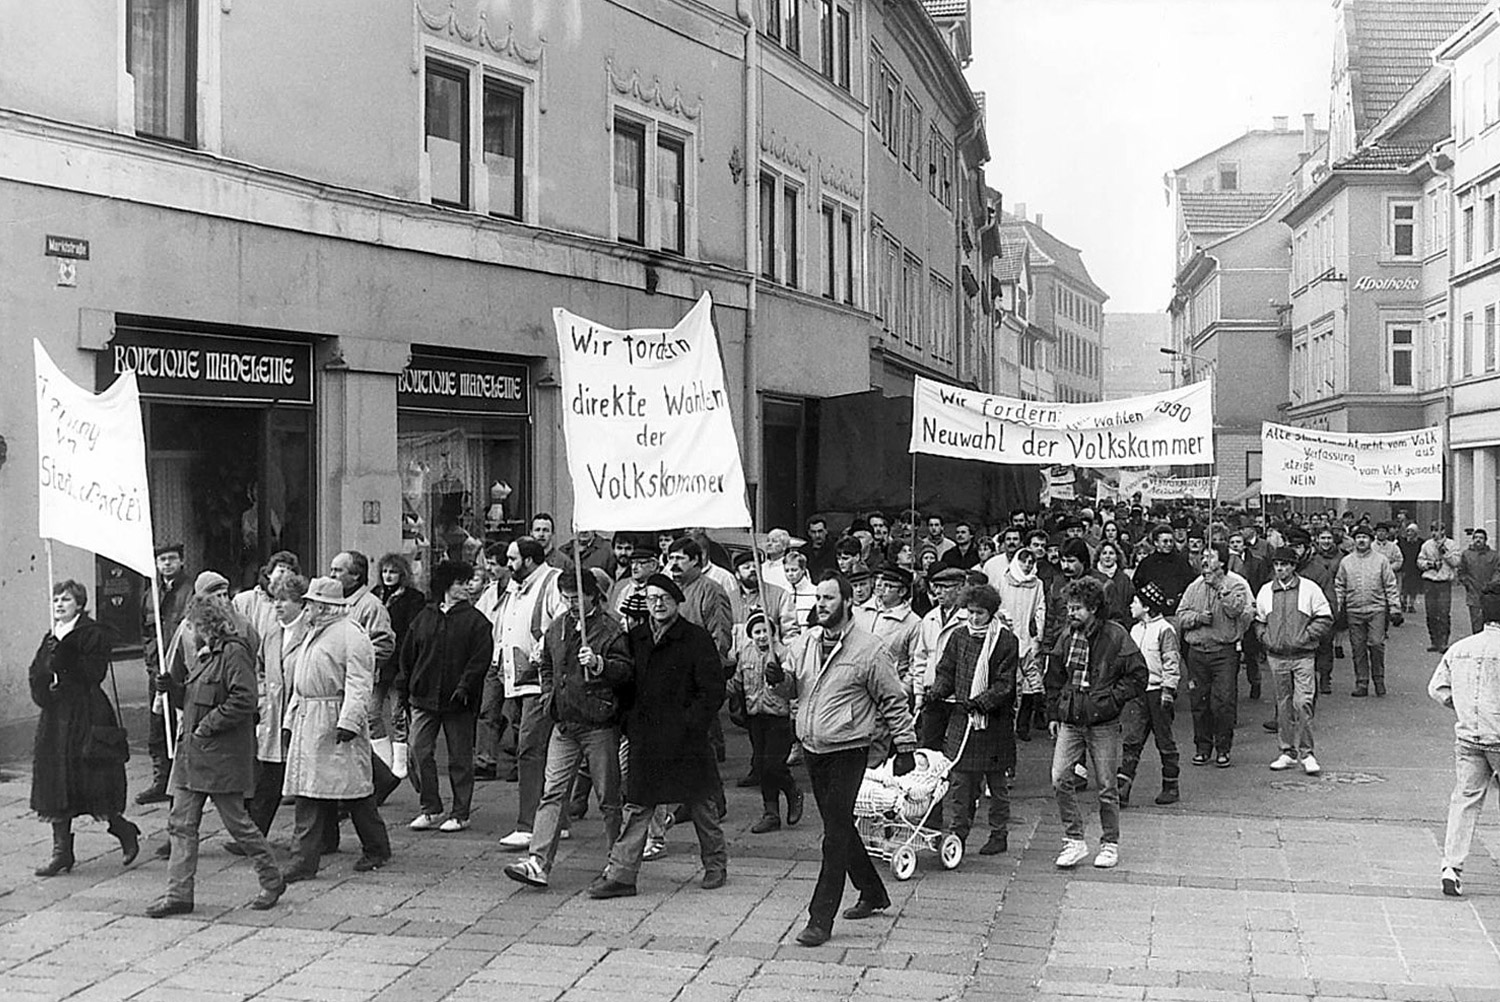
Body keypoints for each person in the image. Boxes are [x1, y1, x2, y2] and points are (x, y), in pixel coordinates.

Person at [766, 573, 917, 947]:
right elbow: (794, 688)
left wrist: (906, 745)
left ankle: (820, 918)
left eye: (830, 598)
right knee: (840, 825)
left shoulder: (870, 649)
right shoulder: (806, 642)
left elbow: (893, 699)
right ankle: (872, 892)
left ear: (847, 601)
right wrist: (776, 679)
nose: (821, 604)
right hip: (813, 748)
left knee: (833, 835)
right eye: (818, 597)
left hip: (849, 749)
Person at [590, 574, 727, 898]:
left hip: (686, 738)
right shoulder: (635, 638)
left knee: (701, 803)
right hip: (647, 738)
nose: (658, 604)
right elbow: (625, 683)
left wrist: (691, 723)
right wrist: (628, 720)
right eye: (652, 598)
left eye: (664, 597)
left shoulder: (695, 638)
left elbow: (712, 690)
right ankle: (622, 876)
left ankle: (715, 864)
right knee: (639, 806)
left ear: (677, 600)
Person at [148, 593, 284, 918]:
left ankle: (272, 878)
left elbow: (244, 699)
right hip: (192, 756)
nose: (190, 630)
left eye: (193, 624)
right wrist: (172, 688)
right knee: (180, 824)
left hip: (219, 757)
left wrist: (207, 726)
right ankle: (178, 894)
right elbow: (194, 701)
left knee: (238, 824)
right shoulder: (206, 656)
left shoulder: (234, 653)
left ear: (206, 625)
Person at [504, 568, 631, 889]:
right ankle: (538, 862)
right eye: (567, 597)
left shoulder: (611, 629)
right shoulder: (559, 626)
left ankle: (618, 862)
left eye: (578, 597)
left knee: (608, 797)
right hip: (564, 721)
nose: (572, 603)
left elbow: (627, 672)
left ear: (593, 595)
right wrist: (549, 695)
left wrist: (600, 664)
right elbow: (547, 662)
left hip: (599, 724)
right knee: (553, 793)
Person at [282, 577, 392, 879]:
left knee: (351, 791)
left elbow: (359, 683)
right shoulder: (314, 633)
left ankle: (375, 847)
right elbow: (300, 684)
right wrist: (290, 720)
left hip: (333, 720)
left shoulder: (350, 635)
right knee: (314, 790)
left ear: (325, 606)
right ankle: (311, 853)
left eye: (312, 603)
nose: (307, 608)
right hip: (311, 718)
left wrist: (349, 722)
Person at [30, 580, 139, 876]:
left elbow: (93, 673)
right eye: (56, 600)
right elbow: (37, 672)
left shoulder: (93, 633)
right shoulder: (51, 635)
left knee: (92, 778)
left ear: (79, 603)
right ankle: (61, 851)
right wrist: (44, 687)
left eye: (66, 599)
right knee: (56, 780)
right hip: (56, 717)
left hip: (86, 712)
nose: (59, 605)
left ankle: (123, 830)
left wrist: (62, 659)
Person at [1044, 576, 1147, 870]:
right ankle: (1074, 840)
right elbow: (1054, 677)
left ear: (1093, 608)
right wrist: (1054, 712)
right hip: (1071, 719)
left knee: (1106, 784)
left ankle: (1109, 843)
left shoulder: (1115, 635)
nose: (1071, 613)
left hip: (1103, 721)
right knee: (1060, 777)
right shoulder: (1066, 637)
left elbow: (1138, 675)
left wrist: (1112, 699)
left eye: (1078, 608)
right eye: (1069, 607)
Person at [395, 560, 494, 833]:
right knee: (418, 750)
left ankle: (461, 812)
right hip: (424, 697)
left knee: (460, 758)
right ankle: (431, 806)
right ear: (446, 586)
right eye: (461, 583)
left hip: (459, 701)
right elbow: (409, 655)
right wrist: (406, 687)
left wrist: (465, 686)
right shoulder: (424, 617)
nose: (467, 587)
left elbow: (479, 660)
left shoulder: (477, 622)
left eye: (468, 582)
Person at [929, 584, 1017, 856]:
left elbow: (1005, 683)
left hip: (992, 723)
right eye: (970, 612)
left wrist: (982, 701)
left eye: (980, 613)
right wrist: (938, 691)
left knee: (996, 783)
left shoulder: (1005, 640)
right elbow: (946, 670)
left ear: (991, 613)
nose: (974, 618)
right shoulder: (958, 636)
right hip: (961, 720)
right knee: (959, 782)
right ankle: (958, 833)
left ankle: (998, 833)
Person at [1429, 581, 1500, 898]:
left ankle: (1451, 868)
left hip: (1469, 737)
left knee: (1465, 801)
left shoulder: (1460, 648)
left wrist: (1463, 707)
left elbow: (1437, 689)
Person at [494, 537, 565, 849]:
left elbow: (562, 624)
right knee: (538, 750)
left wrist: (539, 652)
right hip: (515, 680)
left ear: (530, 560)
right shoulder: (515, 585)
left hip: (539, 682)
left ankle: (529, 824)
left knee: (530, 750)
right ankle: (557, 822)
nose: (508, 564)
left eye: (513, 558)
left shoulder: (551, 582)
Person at [1257, 546, 1333, 777]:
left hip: (1303, 656)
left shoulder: (1309, 589)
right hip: (1277, 656)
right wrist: (1265, 637)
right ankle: (1287, 752)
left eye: (1285, 565)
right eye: (1277, 565)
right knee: (1283, 704)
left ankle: (1307, 753)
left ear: (1293, 566)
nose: (1280, 569)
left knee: (1303, 703)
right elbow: (1259, 620)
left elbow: (1325, 616)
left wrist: (1306, 636)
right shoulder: (1266, 591)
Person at [1177, 542, 1253, 768]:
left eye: (1210, 557)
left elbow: (1236, 610)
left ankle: (1223, 748)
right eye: (1203, 557)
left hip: (1224, 653)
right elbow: (1181, 615)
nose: (1204, 561)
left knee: (1223, 703)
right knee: (1199, 702)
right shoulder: (1194, 586)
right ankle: (1202, 747)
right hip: (1197, 653)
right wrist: (1198, 618)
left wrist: (1221, 588)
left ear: (1221, 562)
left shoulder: (1235, 584)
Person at [246, 574, 308, 840]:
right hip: (274, 716)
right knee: (270, 777)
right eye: (274, 600)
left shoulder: (309, 632)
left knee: (307, 781)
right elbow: (259, 669)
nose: (277, 606)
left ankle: (324, 838)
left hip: (301, 716)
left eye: (284, 600)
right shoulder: (273, 633)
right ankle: (254, 836)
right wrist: (262, 701)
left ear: (300, 603)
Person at [729, 611, 803, 834]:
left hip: (778, 717)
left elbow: (793, 684)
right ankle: (771, 813)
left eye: (766, 631)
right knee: (762, 767)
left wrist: (780, 676)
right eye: (757, 632)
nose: (762, 636)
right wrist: (718, 692)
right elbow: (738, 682)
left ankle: (792, 790)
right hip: (756, 717)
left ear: (773, 632)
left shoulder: (782, 653)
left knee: (774, 764)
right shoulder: (746, 653)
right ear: (751, 634)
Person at [138, 543, 192, 805]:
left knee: (180, 725)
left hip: (181, 672)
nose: (167, 564)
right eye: (162, 560)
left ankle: (178, 783)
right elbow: (146, 632)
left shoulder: (190, 591)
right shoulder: (151, 593)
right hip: (157, 671)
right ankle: (160, 780)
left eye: (172, 559)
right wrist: (151, 663)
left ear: (181, 561)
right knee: (157, 726)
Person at [1119, 582, 1181, 807]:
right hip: (1138, 693)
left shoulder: (1165, 630)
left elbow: (1171, 662)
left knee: (1164, 740)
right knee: (1132, 739)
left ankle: (1171, 785)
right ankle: (1122, 788)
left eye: (1135, 602)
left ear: (1147, 607)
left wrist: (1169, 690)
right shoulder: (1135, 630)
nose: (1131, 605)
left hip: (1157, 692)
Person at [372, 553, 426, 779]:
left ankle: (400, 761)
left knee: (397, 714)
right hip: (377, 664)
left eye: (393, 572)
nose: (388, 576)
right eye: (385, 571)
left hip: (399, 663)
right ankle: (384, 760)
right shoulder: (375, 594)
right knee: (371, 713)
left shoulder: (413, 598)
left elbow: (412, 631)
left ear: (402, 574)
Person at [1335, 524, 1403, 698]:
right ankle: (1362, 683)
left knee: (1376, 644)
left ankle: (1379, 680)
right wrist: (1337, 606)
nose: (1361, 540)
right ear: (1354, 540)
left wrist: (1395, 607)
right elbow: (1340, 586)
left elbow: (1390, 584)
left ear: (1371, 540)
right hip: (1354, 610)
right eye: (1358, 537)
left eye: (1365, 537)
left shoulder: (1381, 561)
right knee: (1358, 648)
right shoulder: (1346, 561)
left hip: (1376, 609)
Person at [997, 546, 1047, 741]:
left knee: (1030, 685)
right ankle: (1007, 725)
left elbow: (1040, 608)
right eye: (1024, 561)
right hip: (1007, 638)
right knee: (1009, 684)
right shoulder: (1004, 581)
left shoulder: (1037, 584)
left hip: (1027, 638)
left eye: (1030, 562)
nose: (1027, 565)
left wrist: (1038, 634)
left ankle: (1023, 726)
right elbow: (998, 607)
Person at [855, 566, 924, 699]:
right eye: (881, 585)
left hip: (888, 691)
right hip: (858, 687)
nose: (882, 590)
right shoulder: (861, 611)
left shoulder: (913, 622)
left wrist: (903, 688)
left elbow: (915, 662)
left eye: (889, 586)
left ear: (902, 591)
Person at [232, 552, 300, 649]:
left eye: (290, 571)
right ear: (269, 574)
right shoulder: (244, 600)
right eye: (281, 570)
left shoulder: (297, 606)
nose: (285, 575)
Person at [1131, 524, 1196, 614]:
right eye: (1165, 541)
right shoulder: (1146, 563)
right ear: (1156, 542)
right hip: (1152, 613)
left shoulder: (1181, 562)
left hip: (1176, 611)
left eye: (1171, 541)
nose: (1169, 544)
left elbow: (1190, 585)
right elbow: (1137, 586)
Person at [1418, 524, 1462, 652]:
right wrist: (1429, 564)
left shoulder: (1452, 544)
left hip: (1444, 583)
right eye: (1432, 530)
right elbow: (1420, 561)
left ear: (1443, 531)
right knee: (1431, 613)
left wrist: (1445, 553)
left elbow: (1456, 562)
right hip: (1430, 581)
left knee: (1443, 613)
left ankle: (1443, 641)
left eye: (1437, 530)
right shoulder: (1427, 545)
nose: (1434, 533)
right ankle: (1434, 641)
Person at [1457, 528, 1500, 637]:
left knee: (1491, 623)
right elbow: (1462, 571)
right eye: (1476, 538)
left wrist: (1492, 585)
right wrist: (1466, 583)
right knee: (1476, 623)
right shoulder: (1466, 554)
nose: (1478, 540)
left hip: (1490, 595)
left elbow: (1497, 571)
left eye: (1481, 538)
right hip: (1473, 593)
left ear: (1486, 540)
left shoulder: (1494, 555)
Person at [1397, 523, 1424, 614]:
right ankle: (1403, 602)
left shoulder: (1420, 542)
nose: (1409, 533)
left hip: (1415, 568)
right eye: (1408, 531)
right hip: (1405, 567)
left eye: (1412, 531)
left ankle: (1411, 604)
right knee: (1404, 587)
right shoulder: (1402, 542)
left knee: (1414, 588)